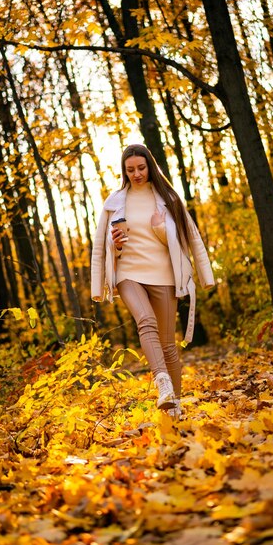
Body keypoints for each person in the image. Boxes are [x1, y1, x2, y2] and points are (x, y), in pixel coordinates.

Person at [91, 144, 214, 418]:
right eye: (130, 170)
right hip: (128, 273)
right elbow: (100, 247)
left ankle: (175, 407)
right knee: (145, 321)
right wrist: (115, 247)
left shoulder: (168, 198)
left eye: (141, 168)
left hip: (164, 274)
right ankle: (162, 382)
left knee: (169, 344)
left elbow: (190, 236)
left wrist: (205, 276)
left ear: (150, 166)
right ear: (124, 172)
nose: (136, 174)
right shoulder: (114, 202)